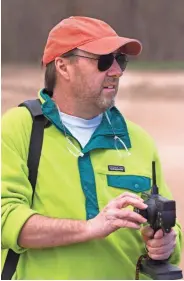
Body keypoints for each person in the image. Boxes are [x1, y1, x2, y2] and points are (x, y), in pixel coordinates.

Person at [1, 16, 182, 280]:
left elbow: (170, 232)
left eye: (120, 60)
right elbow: (5, 220)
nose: (116, 71)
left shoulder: (139, 140)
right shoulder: (19, 128)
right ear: (63, 66)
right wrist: (90, 227)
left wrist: (167, 244)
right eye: (104, 61)